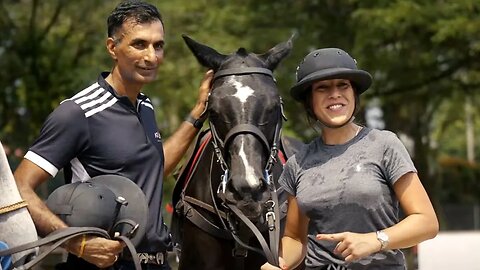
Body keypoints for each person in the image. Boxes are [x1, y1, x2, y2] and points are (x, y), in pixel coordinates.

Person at [14, 1, 213, 269]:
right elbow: (19, 187)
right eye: (139, 44)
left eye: (158, 45)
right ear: (112, 48)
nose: (152, 56)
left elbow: (150, 171)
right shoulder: (78, 112)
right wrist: (76, 243)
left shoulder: (145, 106)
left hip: (157, 263)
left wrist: (198, 114)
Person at [261, 48, 439, 270]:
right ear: (310, 101)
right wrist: (280, 263)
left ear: (354, 93)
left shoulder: (384, 145)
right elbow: (296, 238)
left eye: (342, 85)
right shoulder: (298, 164)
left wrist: (376, 240)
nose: (334, 94)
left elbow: (426, 222)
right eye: (322, 88)